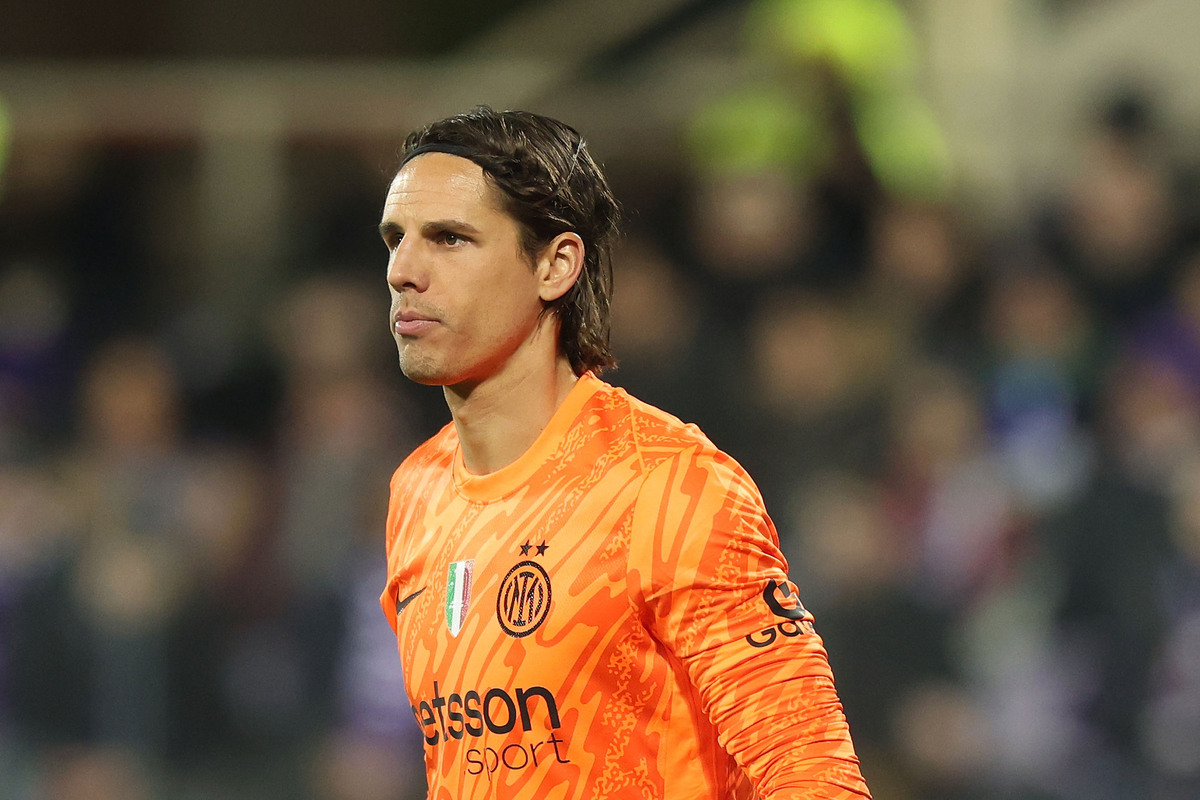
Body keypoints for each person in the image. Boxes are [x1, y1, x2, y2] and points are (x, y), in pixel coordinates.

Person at [377, 106, 871, 799]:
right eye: (395, 240)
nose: (404, 271)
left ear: (556, 265)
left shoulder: (669, 485)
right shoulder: (417, 492)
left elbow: (810, 772)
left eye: (450, 239)